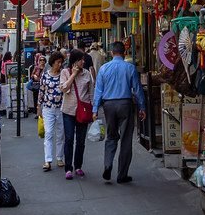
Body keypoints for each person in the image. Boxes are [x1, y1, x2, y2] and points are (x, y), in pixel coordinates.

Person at [93, 40, 146, 184]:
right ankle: (122, 174)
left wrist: (95, 109)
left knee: (111, 137)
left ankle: (108, 165)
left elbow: (98, 91)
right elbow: (137, 89)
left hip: (108, 106)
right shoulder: (130, 68)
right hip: (125, 104)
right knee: (126, 139)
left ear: (111, 53)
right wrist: (142, 107)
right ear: (125, 53)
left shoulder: (104, 69)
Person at [59, 48, 95, 180]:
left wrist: (94, 110)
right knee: (69, 139)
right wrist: (73, 75)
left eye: (83, 59)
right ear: (74, 61)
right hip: (68, 110)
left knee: (80, 141)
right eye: (80, 59)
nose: (83, 62)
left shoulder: (87, 74)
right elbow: (63, 88)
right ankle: (68, 168)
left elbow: (91, 92)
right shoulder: (65, 72)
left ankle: (78, 166)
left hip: (83, 111)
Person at [38, 51, 65, 171]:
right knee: (48, 133)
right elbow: (41, 91)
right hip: (48, 108)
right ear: (53, 62)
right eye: (58, 62)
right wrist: (39, 106)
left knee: (60, 134)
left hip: (61, 108)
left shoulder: (63, 75)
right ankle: (47, 160)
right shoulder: (45, 75)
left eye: (61, 62)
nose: (60, 65)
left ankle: (59, 157)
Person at [29, 46, 47, 115]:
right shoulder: (36, 67)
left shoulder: (46, 68)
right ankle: (36, 112)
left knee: (43, 99)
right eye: (40, 60)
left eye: (43, 60)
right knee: (36, 98)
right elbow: (31, 75)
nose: (42, 61)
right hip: (36, 85)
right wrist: (34, 76)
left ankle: (43, 111)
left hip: (43, 85)